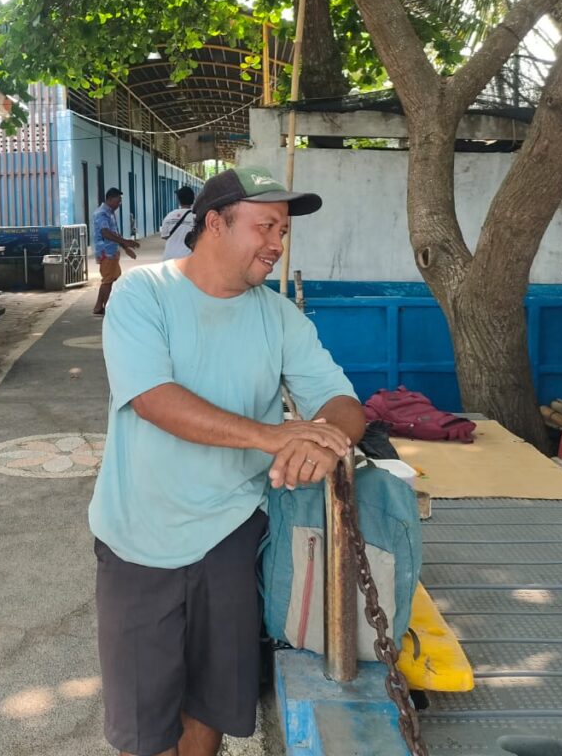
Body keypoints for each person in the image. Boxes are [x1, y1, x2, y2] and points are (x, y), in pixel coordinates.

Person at [89, 164, 365, 756]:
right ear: (215, 223)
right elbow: (153, 399)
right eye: (265, 226)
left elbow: (341, 402)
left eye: (283, 231)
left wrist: (325, 442)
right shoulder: (145, 293)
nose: (276, 243)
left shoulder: (279, 316)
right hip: (140, 537)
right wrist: (275, 437)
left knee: (209, 705)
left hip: (232, 538)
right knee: (145, 727)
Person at [92, 187, 139, 316]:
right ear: (110, 199)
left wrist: (125, 247)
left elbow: (114, 233)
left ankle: (98, 307)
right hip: (106, 252)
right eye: (118, 201)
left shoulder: (110, 213)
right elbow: (106, 233)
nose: (119, 204)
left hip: (112, 251)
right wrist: (125, 242)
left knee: (110, 278)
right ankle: (108, 308)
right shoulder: (102, 214)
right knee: (109, 280)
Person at [158, 186, 195, 260]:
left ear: (178, 200)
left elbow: (164, 236)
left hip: (169, 257)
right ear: (193, 199)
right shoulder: (196, 217)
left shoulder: (170, 215)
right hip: (187, 259)